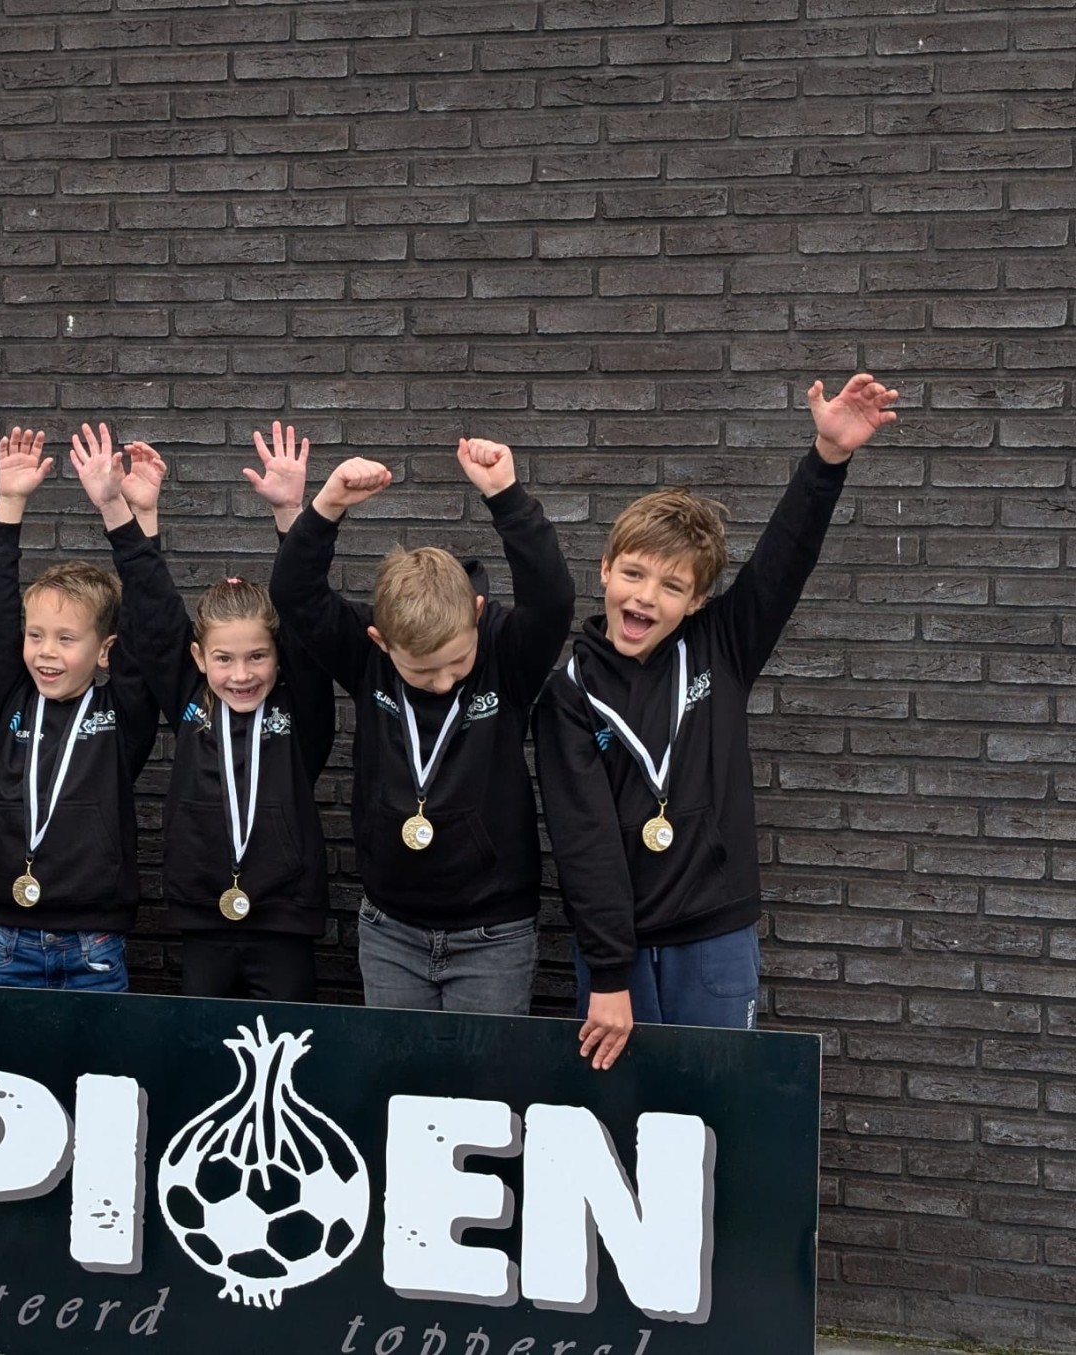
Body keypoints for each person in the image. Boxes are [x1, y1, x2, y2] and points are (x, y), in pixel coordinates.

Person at [534, 373, 900, 1069]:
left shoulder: (721, 647)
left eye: (672, 586)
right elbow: (584, 845)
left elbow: (783, 561)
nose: (647, 597)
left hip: (715, 942)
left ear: (697, 600)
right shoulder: (569, 694)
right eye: (634, 574)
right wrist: (609, 973)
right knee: (621, 1119)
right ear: (605, 569)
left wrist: (827, 458)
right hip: (619, 956)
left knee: (716, 1115)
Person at [270, 439, 575, 1014]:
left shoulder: (505, 655)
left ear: (477, 616)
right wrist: (328, 504)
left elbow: (553, 600)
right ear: (381, 642)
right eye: (421, 671)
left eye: (456, 663)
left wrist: (507, 498)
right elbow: (294, 593)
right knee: (398, 1073)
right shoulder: (366, 658)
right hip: (391, 932)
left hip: (493, 934)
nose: (441, 682)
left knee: (481, 1074)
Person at [84, 422, 334, 1001]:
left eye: (257, 657)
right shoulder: (191, 702)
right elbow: (152, 608)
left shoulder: (300, 709)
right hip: (202, 918)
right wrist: (121, 511)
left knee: (285, 1049)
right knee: (203, 1051)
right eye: (223, 658)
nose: (241, 674)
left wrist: (291, 514)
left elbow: (304, 607)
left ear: (280, 657)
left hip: (285, 921)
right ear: (199, 658)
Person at [0, 425, 161, 991]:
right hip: (10, 940)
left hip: (94, 944)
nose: (46, 652)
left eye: (66, 639)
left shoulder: (121, 715)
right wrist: (10, 504)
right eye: (36, 636)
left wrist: (135, 517)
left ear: (105, 651)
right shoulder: (12, 701)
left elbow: (149, 623)